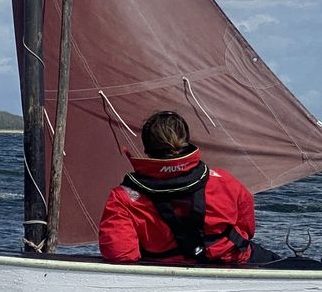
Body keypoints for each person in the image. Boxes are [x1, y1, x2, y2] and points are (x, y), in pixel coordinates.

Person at [98, 110, 278, 264]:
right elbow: (247, 230)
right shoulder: (224, 181)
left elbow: (120, 255)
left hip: (168, 276)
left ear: (147, 149)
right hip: (232, 264)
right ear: (186, 142)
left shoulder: (122, 198)